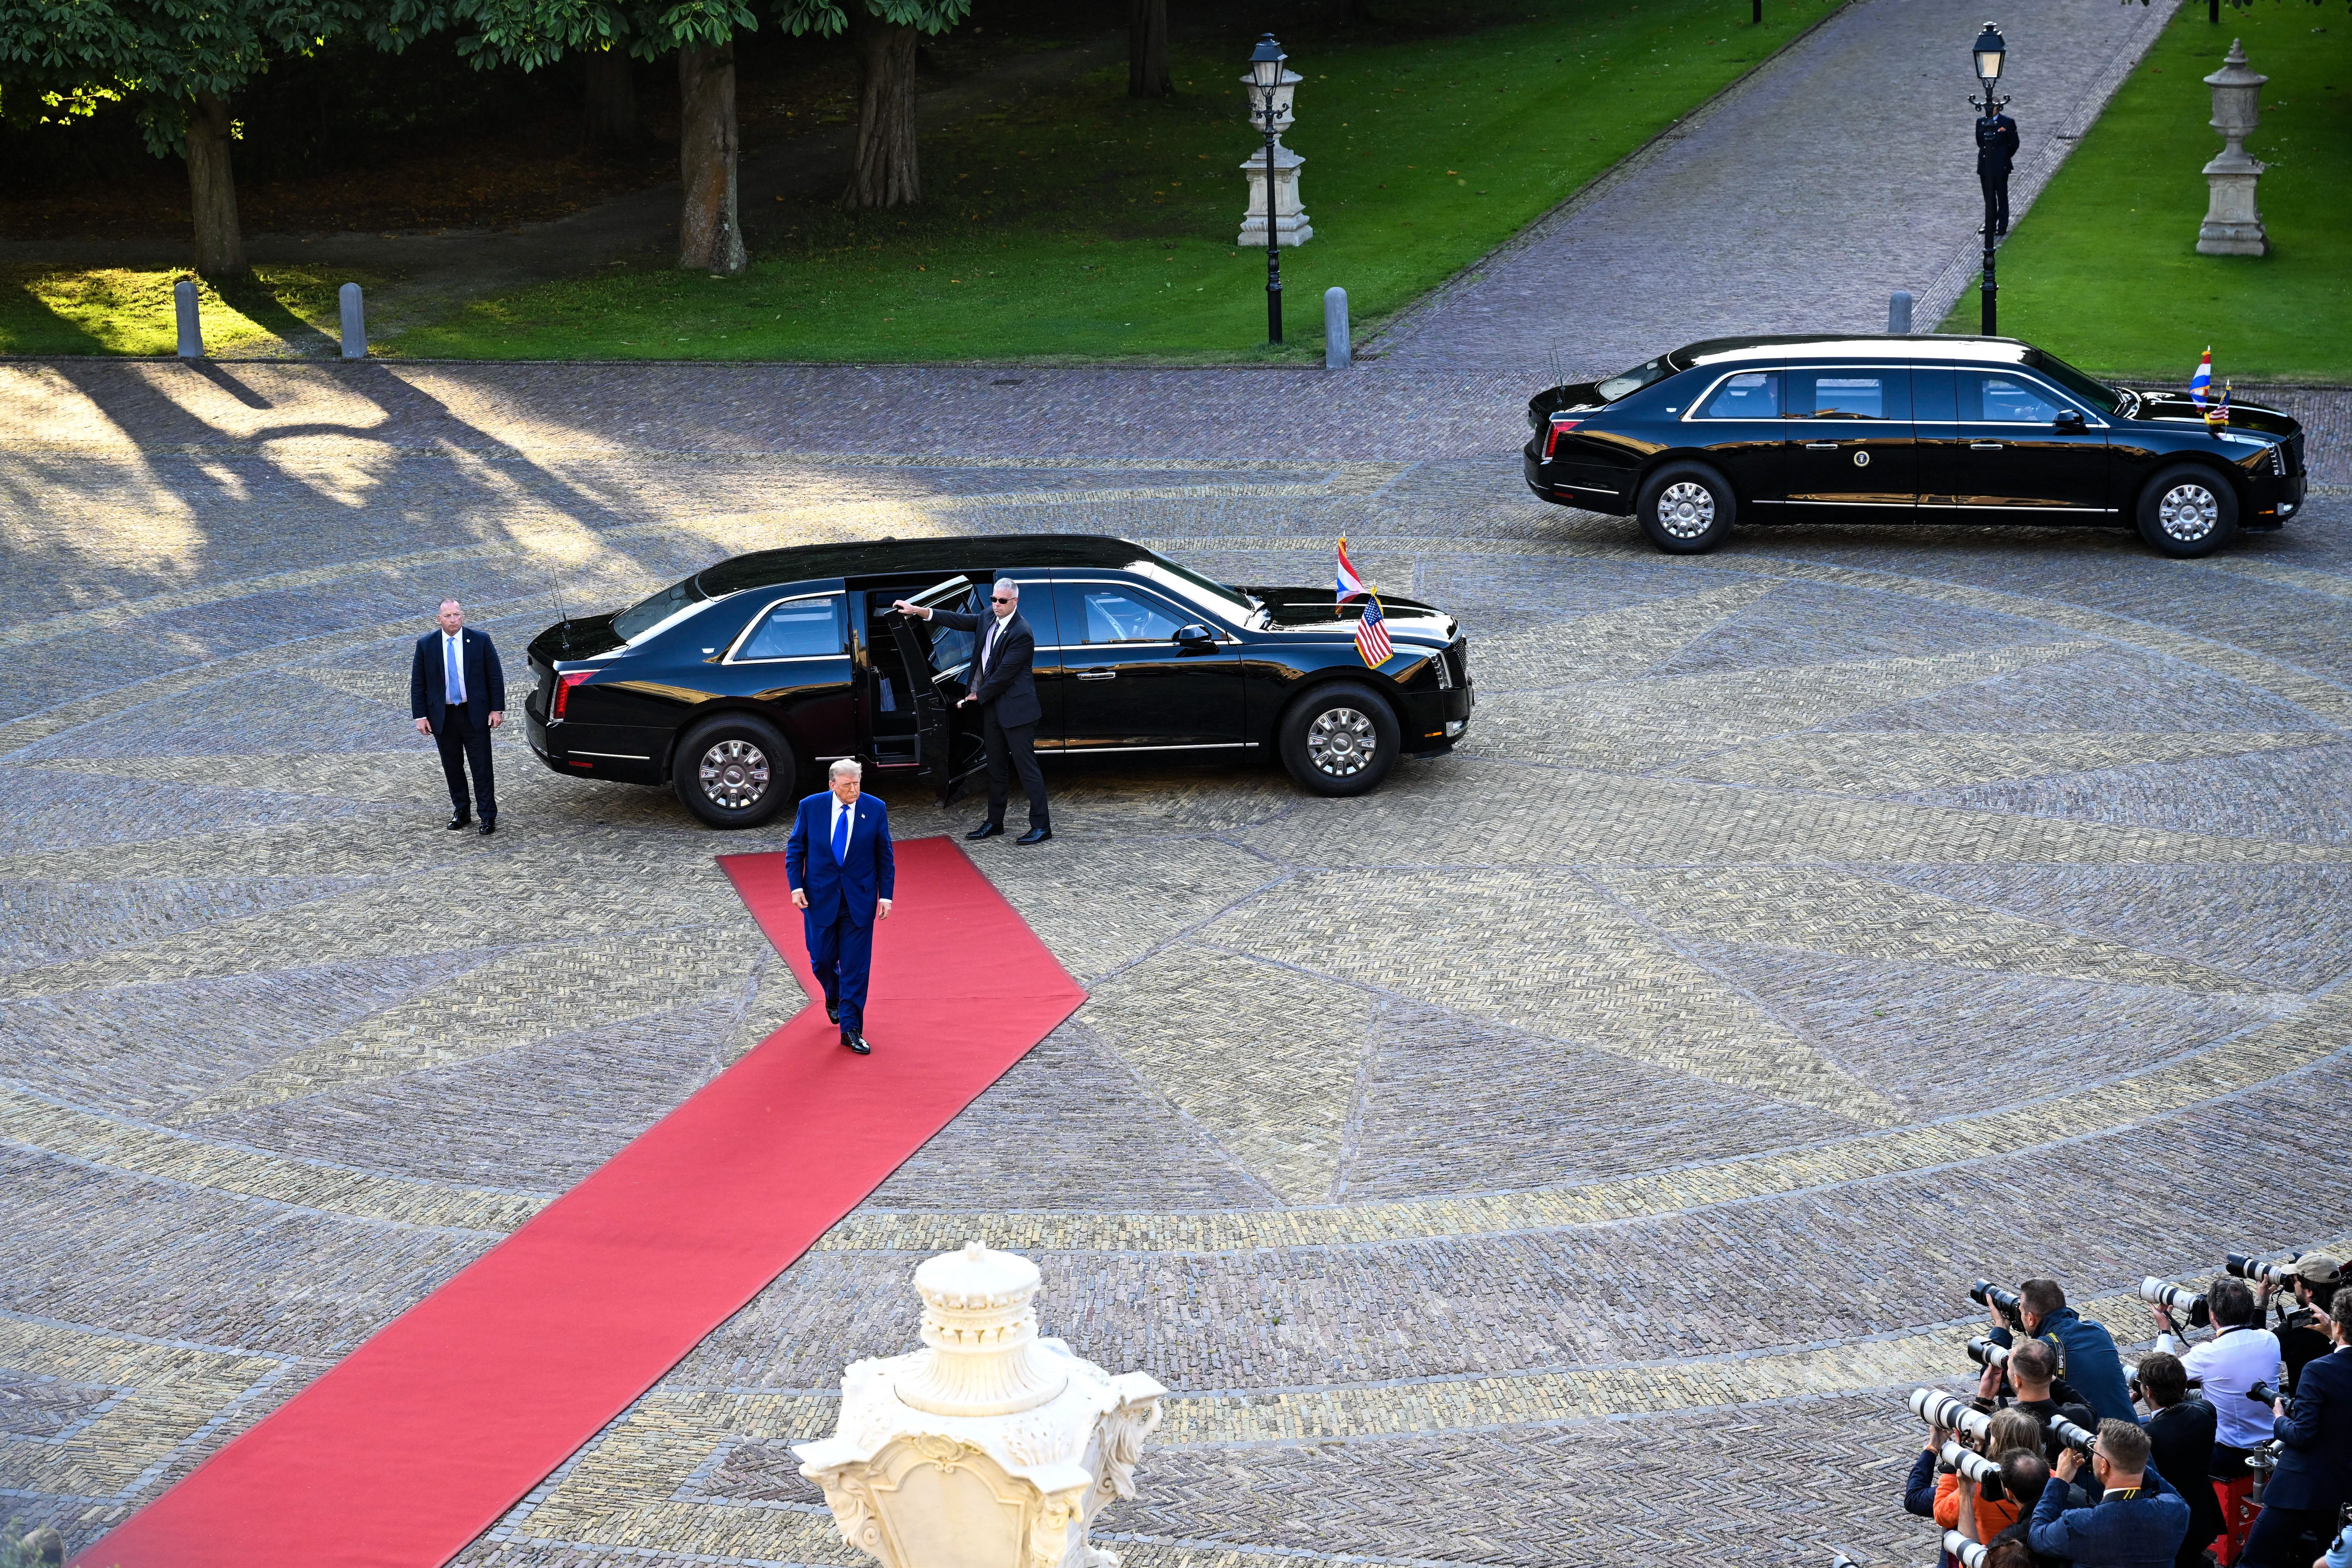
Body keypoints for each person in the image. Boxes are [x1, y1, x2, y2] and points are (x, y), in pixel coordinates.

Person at [893, 579, 1050, 846]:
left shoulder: (1022, 632)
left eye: (1002, 601)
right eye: (993, 599)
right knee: (996, 768)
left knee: (1027, 770)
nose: (996, 605)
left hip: (1017, 711)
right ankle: (995, 822)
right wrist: (919, 611)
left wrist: (974, 697)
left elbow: (1004, 676)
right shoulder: (989, 616)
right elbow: (958, 620)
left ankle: (1041, 826)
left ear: (1015, 602)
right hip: (993, 709)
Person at [784, 759, 895, 1057]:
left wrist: (886, 896)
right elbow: (796, 849)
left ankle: (851, 1029)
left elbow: (885, 856)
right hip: (819, 899)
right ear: (832, 785)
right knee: (821, 959)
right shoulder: (811, 807)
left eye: (857, 784)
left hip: (859, 901)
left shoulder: (875, 808)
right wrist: (796, 887)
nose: (854, 790)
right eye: (847, 785)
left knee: (856, 968)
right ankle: (832, 994)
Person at [2243, 1290, 2352, 1568]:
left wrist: (2279, 1418)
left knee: (2256, 1559)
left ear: (2339, 1325)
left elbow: (2302, 1434)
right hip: (2341, 1489)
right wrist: (2333, 1336)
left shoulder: (2318, 1371)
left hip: (2300, 1489)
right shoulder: (2330, 1364)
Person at [2029, 1419, 2190, 1568]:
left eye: (2095, 1451)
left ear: (2104, 1466)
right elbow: (2177, 1498)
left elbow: (2037, 1537)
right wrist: (2135, 1461)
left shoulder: (2079, 1524)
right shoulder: (2175, 1511)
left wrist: (2060, 1481)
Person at [409, 599, 505, 835]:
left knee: (481, 766)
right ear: (439, 619)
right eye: (449, 616)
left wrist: (496, 709)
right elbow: (418, 683)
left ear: (463, 616)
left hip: (475, 714)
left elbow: (495, 676)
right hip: (443, 716)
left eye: (457, 615)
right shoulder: (426, 645)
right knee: (452, 767)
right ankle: (462, 811)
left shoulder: (480, 640)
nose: (454, 620)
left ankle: (487, 815)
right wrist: (420, 716)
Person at [1994, 1277, 2138, 1424]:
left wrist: (2001, 1329)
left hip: (2096, 1442)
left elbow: (1997, 1379)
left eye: (2021, 1311)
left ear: (2031, 1319)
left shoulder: (2043, 1350)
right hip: (2133, 1435)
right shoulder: (2097, 1330)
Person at [2136, 1351, 2225, 1568]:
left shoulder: (2147, 1436)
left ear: (2148, 1391)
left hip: (2168, 1524)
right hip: (2203, 1516)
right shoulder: (2206, 1412)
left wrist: (2129, 1408)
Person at [1981, 1338, 2100, 1465]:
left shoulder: (2001, 1426)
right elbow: (2088, 1408)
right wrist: (2046, 1375)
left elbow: (1977, 1452)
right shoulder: (2077, 1419)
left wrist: (1984, 1398)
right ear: (2052, 1374)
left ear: (2017, 1380)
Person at [2264, 1254, 2343, 1395]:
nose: (2291, 1284)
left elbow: (2261, 1347)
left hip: (2307, 1400)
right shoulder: (2346, 1313)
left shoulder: (2301, 1324)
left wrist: (2261, 1304)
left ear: (2309, 1291)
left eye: (2294, 1281)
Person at [1977, 104, 2020, 236]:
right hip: (1985, 166)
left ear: (1998, 109)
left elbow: (2014, 143)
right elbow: (1980, 142)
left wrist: (2003, 157)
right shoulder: (1981, 122)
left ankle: (2002, 227)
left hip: (2001, 167)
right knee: (1989, 198)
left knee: (2001, 197)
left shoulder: (2007, 122)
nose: (1988, 109)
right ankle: (1990, 225)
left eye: (1992, 107)